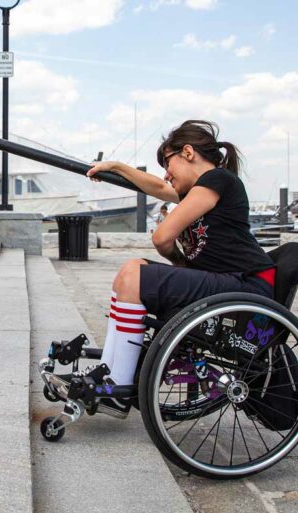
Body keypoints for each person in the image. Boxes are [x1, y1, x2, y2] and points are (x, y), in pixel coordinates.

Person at [70, 120, 275, 418]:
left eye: (168, 162)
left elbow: (162, 237)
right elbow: (158, 186)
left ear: (188, 152)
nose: (166, 173)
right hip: (224, 283)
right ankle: (112, 374)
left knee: (134, 274)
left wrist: (179, 262)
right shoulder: (200, 189)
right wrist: (117, 167)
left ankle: (118, 387)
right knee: (130, 272)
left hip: (243, 285)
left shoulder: (218, 180)